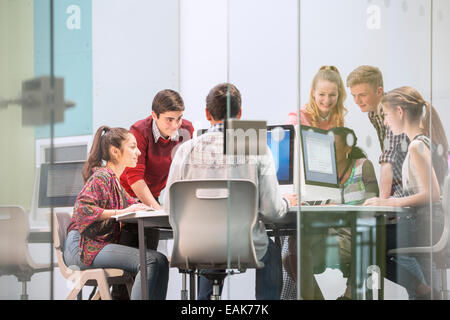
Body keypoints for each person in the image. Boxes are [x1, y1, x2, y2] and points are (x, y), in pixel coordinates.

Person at [164, 83, 298, 300]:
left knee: (209, 248)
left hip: (193, 246)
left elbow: (169, 207)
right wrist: (284, 201)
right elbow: (273, 211)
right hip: (241, 245)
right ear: (240, 113)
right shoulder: (256, 147)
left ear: (207, 114)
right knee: (272, 253)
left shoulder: (185, 150)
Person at [63, 126, 169, 300]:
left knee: (161, 261)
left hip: (92, 245)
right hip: (81, 247)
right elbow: (82, 210)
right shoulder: (102, 177)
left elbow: (133, 204)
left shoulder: (115, 182)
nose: (139, 152)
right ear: (115, 151)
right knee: (149, 261)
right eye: (133, 147)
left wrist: (155, 208)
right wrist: (120, 211)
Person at [364, 86, 448, 299]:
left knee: (367, 242)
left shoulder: (416, 147)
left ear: (399, 112)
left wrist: (389, 203)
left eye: (386, 115)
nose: (385, 122)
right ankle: (425, 290)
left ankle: (424, 289)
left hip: (427, 226)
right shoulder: (425, 142)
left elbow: (432, 194)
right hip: (428, 223)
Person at [282, 127, 380, 299]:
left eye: (333, 146)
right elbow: (318, 200)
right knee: (291, 256)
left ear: (347, 149)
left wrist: (340, 207)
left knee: (297, 256)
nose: (328, 151)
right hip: (331, 232)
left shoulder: (363, 166)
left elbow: (374, 203)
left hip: (353, 235)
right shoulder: (323, 174)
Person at [282, 65, 347, 299]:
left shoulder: (338, 118)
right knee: (293, 255)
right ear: (312, 93)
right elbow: (297, 161)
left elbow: (338, 164)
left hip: (327, 198)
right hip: (302, 196)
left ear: (339, 94)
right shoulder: (298, 117)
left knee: (295, 257)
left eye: (332, 95)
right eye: (322, 94)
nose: (327, 100)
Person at [120, 89, 194, 210]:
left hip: (152, 194)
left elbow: (185, 172)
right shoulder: (139, 131)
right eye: (169, 119)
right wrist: (160, 212)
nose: (175, 125)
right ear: (154, 115)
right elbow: (135, 177)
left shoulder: (186, 129)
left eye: (179, 118)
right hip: (127, 195)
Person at [346, 65, 408, 198]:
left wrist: (382, 201)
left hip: (411, 187)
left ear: (379, 91)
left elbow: (388, 160)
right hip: (398, 185)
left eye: (362, 95)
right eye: (354, 96)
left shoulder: (392, 110)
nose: (357, 101)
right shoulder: (373, 114)